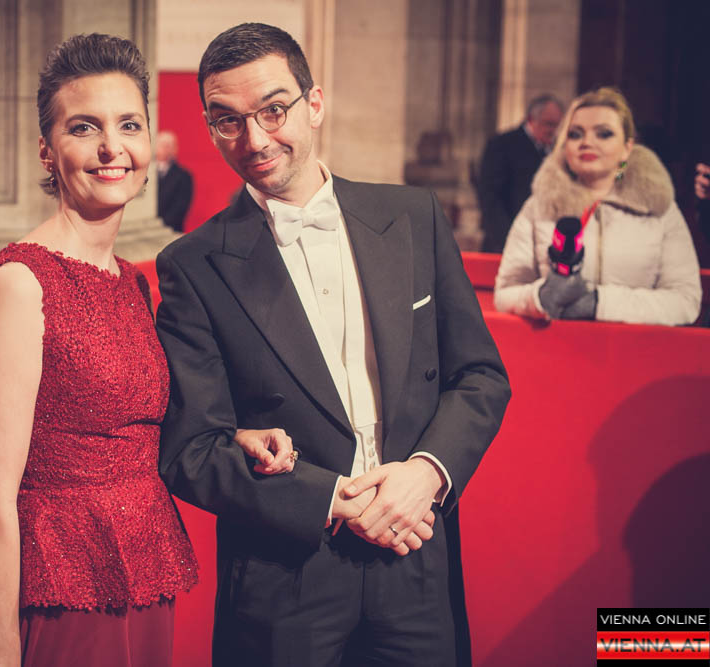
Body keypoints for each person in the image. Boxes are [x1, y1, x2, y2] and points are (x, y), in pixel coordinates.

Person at [155, 22, 510, 666]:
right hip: (284, 575)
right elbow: (192, 450)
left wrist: (426, 474)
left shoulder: (413, 216)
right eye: (228, 120)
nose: (254, 139)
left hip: (415, 547)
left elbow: (480, 376)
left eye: (273, 110)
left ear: (314, 103)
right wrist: (327, 497)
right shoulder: (193, 264)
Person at [0, 33, 298, 667]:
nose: (111, 148)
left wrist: (235, 438)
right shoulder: (22, 281)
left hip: (142, 571)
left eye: (129, 125)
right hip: (64, 588)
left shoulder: (129, 279)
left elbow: (131, 425)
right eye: (84, 127)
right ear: (47, 149)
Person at [494, 87, 702, 326]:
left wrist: (598, 302)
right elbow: (506, 293)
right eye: (575, 134)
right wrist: (540, 296)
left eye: (604, 134)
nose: (587, 142)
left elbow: (685, 300)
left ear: (627, 147)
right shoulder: (538, 206)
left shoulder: (660, 209)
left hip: (636, 347)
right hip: (556, 346)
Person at [477, 94, 563, 252]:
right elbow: (490, 198)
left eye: (557, 125)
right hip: (506, 242)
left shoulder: (557, 150)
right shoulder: (502, 144)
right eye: (548, 124)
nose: (553, 131)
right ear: (531, 119)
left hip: (543, 242)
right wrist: (509, 240)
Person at [156, 130, 194, 232]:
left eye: (169, 146)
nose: (166, 149)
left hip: (171, 230)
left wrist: (160, 226)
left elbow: (180, 207)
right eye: (162, 145)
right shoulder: (145, 173)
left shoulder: (183, 176)